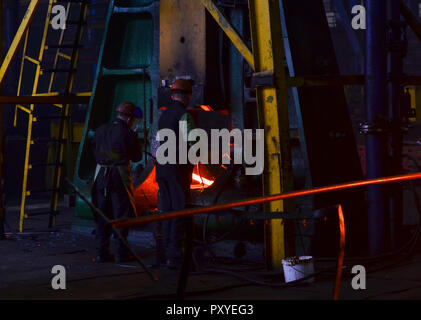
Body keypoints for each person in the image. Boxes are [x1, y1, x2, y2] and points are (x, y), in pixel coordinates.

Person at [91, 102, 143, 263]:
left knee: (102, 214)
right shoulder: (127, 133)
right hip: (118, 176)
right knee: (121, 215)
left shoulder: (100, 130)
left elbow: (93, 150)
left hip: (100, 176)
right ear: (129, 118)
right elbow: (137, 157)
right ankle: (121, 254)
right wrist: (134, 139)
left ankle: (102, 252)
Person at [156, 79, 196, 269]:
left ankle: (165, 255)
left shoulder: (163, 115)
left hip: (162, 169)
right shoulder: (183, 115)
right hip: (176, 170)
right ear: (188, 96)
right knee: (179, 211)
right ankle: (175, 256)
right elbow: (192, 141)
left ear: (172, 96)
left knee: (167, 212)